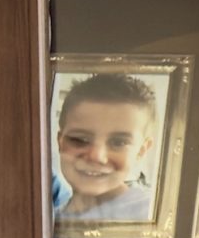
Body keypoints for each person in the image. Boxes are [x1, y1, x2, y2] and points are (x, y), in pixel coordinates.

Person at [51, 71, 161, 225]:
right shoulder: (49, 221)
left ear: (141, 151)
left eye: (118, 142)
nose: (97, 156)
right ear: (60, 142)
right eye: (80, 140)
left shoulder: (151, 214)